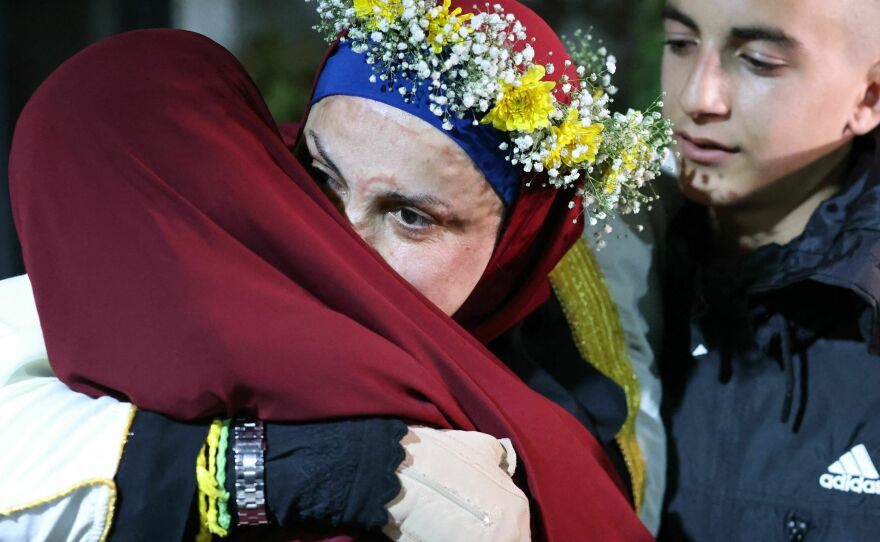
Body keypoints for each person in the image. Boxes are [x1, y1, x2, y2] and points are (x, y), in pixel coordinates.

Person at [2, 1, 670, 540]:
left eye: (410, 215)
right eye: (318, 177)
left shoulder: (573, 393)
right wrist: (296, 469)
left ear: (512, 254)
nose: (336, 241)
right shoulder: (199, 266)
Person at [657, 0, 880, 539]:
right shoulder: (596, 272)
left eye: (758, 61)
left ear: (868, 98)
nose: (696, 98)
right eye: (681, 44)